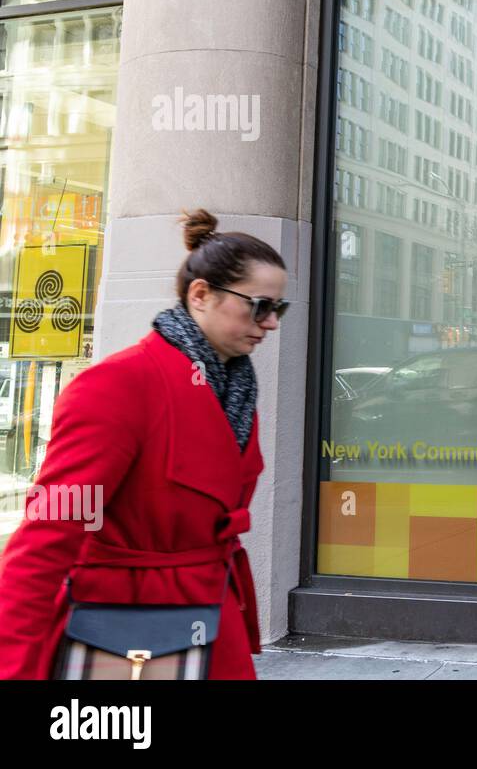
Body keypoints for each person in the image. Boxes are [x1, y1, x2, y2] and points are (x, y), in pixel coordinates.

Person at [0, 209, 288, 679]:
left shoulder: (235, 390)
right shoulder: (118, 385)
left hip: (209, 617)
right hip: (124, 632)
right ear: (201, 295)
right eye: (260, 306)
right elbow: (44, 539)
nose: (272, 322)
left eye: (280, 308)